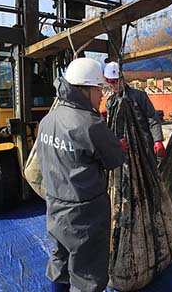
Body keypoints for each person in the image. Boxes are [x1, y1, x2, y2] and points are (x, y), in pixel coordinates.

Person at [36, 58, 127, 292]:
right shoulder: (90, 124)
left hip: (55, 207)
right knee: (87, 277)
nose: (101, 97)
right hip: (85, 215)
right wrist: (117, 145)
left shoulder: (48, 120)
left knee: (60, 264)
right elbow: (115, 159)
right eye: (99, 90)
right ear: (85, 89)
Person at [103, 61, 166, 159]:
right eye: (111, 82)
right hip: (123, 148)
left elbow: (152, 117)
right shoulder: (110, 102)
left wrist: (158, 140)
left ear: (122, 79)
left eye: (116, 81)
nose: (114, 85)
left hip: (143, 144)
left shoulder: (139, 96)